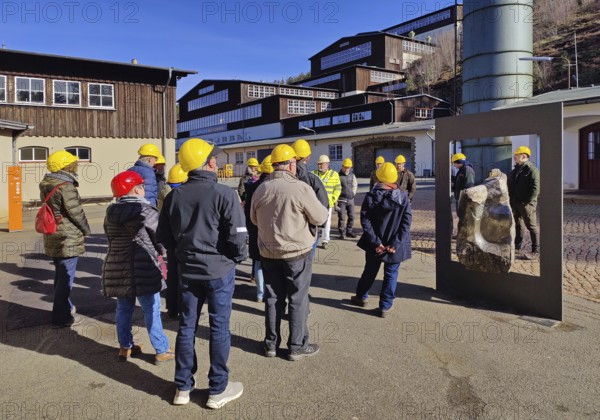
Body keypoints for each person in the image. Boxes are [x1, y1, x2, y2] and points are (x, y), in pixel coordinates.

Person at [157, 138, 247, 409]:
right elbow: (238, 238)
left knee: (187, 326)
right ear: (208, 162)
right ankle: (217, 389)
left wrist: (184, 255)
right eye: (214, 158)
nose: (217, 162)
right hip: (219, 271)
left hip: (188, 271)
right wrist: (237, 258)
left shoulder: (174, 196)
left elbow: (164, 238)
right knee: (219, 327)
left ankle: (183, 386)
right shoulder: (225, 194)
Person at [250, 144, 328, 361]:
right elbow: (321, 217)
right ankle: (296, 346)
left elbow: (254, 219)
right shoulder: (300, 188)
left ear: (274, 164)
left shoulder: (261, 189)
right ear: (292, 164)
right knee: (298, 299)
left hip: (268, 253)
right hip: (297, 253)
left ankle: (271, 345)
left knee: (273, 298)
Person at [102, 171, 175, 364]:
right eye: (142, 185)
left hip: (117, 265)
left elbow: (110, 238)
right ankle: (161, 349)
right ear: (136, 188)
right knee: (151, 308)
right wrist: (164, 255)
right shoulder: (146, 211)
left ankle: (125, 347)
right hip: (143, 266)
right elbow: (159, 238)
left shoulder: (111, 212)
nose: (144, 188)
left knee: (123, 307)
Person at [350, 162, 412, 318]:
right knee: (391, 274)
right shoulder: (403, 198)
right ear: (394, 178)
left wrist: (376, 242)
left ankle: (361, 297)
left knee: (369, 271)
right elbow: (406, 223)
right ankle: (385, 306)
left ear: (378, 177)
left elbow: (366, 221)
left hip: (374, 245)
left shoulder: (371, 196)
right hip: (394, 246)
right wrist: (395, 244)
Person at [40, 150, 91, 328]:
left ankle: (66, 307)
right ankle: (61, 318)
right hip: (67, 237)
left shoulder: (47, 182)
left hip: (53, 234)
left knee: (60, 276)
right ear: (66, 166)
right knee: (66, 279)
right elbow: (75, 212)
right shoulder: (65, 186)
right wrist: (86, 230)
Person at [160, 163, 188, 319]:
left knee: (172, 276)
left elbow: (162, 227)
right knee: (186, 279)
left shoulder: (169, 197)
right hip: (187, 246)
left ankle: (171, 309)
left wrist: (169, 245)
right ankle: (184, 310)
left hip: (173, 245)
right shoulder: (189, 196)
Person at [244, 155, 273, 303]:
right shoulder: (274, 187)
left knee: (258, 262)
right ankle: (270, 291)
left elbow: (248, 210)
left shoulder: (252, 187)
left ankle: (260, 293)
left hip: (255, 229)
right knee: (271, 264)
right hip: (271, 232)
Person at [508, 146, 540, 258]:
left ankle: (536, 251)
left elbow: (535, 188)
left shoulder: (532, 170)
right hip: (515, 203)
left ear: (524, 156)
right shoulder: (516, 169)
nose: (514, 156)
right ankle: (517, 247)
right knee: (518, 225)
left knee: (531, 227)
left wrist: (527, 202)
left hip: (526, 204)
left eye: (516, 155)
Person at [312, 155, 341, 249]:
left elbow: (337, 188)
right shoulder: (314, 174)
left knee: (327, 222)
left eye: (322, 164)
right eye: (319, 164)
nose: (320, 166)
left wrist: (333, 199)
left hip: (328, 203)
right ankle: (314, 238)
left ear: (327, 164)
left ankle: (325, 240)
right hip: (316, 203)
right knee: (314, 221)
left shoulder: (334, 174)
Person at [337, 158, 358, 239]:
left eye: (348, 167)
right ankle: (342, 232)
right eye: (345, 167)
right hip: (341, 199)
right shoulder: (338, 176)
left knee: (352, 216)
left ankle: (349, 231)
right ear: (342, 166)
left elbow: (355, 185)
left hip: (351, 199)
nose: (346, 169)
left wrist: (353, 193)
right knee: (342, 217)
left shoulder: (352, 176)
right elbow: (335, 186)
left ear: (350, 168)